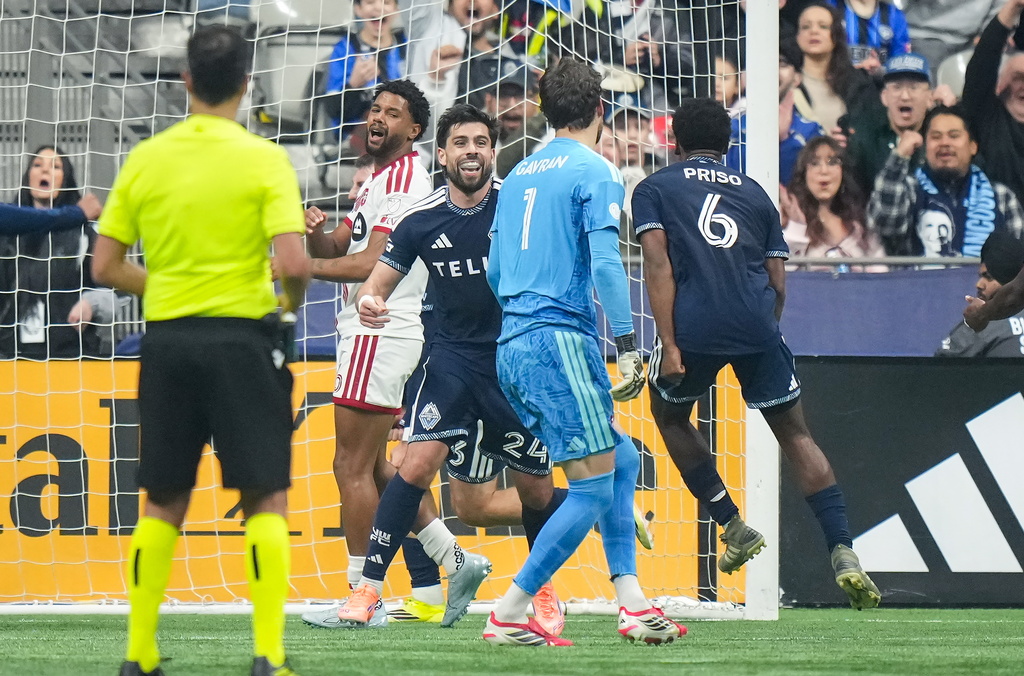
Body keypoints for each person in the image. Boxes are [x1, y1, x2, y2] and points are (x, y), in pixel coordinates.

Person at [92, 26, 310, 676]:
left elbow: (105, 265)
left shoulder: (146, 158)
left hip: (168, 343)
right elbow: (293, 260)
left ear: (185, 81)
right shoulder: (264, 158)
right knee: (264, 495)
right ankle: (268, 655)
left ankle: (139, 653)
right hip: (244, 340)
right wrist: (289, 307)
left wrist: (168, 286)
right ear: (248, 84)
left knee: (162, 498)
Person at [632, 97, 880, 611]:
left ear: (675, 142)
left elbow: (657, 265)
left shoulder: (654, 188)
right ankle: (843, 549)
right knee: (795, 434)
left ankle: (731, 524)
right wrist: (765, 333)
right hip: (755, 323)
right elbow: (777, 281)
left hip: (694, 325)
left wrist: (671, 344)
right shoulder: (757, 194)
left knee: (670, 416)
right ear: (728, 143)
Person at [336, 103, 573, 634]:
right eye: (461, 143)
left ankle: (543, 592)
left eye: (482, 142)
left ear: (493, 152)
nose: (472, 151)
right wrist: (372, 302)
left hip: (514, 362)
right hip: (451, 362)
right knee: (414, 465)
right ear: (441, 154)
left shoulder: (518, 208)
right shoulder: (420, 219)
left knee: (535, 490)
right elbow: (377, 285)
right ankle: (367, 591)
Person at [484, 58, 684, 647]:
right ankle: (511, 611)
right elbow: (604, 263)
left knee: (619, 460)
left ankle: (632, 603)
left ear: (545, 110)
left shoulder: (518, 172)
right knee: (594, 487)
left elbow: (495, 271)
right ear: (602, 109)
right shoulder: (594, 170)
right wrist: (626, 345)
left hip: (513, 343)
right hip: (559, 340)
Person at [300, 79, 485, 630]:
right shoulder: (378, 178)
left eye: (393, 113)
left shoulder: (406, 178)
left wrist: (296, 267)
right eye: (375, 109)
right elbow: (342, 249)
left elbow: (368, 266)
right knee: (382, 470)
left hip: (380, 328)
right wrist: (315, 236)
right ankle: (455, 561)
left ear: (415, 130)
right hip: (381, 330)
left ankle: (363, 596)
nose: (378, 117)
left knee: (349, 465)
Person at [867, 105, 1024, 257]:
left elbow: (1018, 259)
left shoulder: (1002, 196)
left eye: (954, 136)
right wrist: (900, 156)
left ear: (973, 147)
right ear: (925, 147)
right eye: (936, 137)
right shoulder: (909, 190)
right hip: (919, 283)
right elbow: (886, 226)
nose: (944, 143)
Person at [0, 146, 111, 359]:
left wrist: (91, 303)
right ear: (28, 176)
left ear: (66, 178)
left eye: (55, 167)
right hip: (10, 355)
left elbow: (115, 293)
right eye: (38, 165)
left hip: (71, 354)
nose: (45, 171)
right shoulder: (7, 235)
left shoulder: (85, 234)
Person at [844, 52, 953, 198]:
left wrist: (952, 113)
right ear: (884, 97)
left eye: (914, 88)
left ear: (929, 98)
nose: (905, 96)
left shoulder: (941, 136)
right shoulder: (865, 135)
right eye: (897, 87)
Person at [726, 38, 825, 188]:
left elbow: (806, 189)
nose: (771, 70)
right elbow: (730, 184)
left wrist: (784, 140)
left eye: (782, 64)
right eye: (762, 62)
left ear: (798, 78)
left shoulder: (812, 131)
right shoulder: (731, 129)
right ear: (744, 77)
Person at [784, 137, 885, 266]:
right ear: (804, 173)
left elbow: (880, 273)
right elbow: (782, 275)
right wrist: (797, 229)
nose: (824, 171)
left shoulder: (860, 227)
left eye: (832, 163)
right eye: (814, 163)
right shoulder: (786, 221)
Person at [961, 0, 1024, 203]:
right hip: (996, 225)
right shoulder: (987, 115)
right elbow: (983, 60)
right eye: (1018, 78)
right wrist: (1013, 6)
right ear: (1002, 83)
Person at [322, 0, 407, 137]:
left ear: (396, 9)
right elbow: (332, 111)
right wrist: (354, 85)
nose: (378, 7)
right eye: (370, 2)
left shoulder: (405, 46)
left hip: (400, 137)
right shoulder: (345, 49)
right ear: (358, 9)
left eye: (386, 2)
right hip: (355, 141)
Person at [794, 2, 877, 134]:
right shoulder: (785, 83)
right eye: (805, 27)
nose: (814, 31)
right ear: (797, 37)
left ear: (836, 35)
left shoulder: (858, 83)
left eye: (823, 26)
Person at [939, 230, 1024, 357]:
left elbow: (940, 366)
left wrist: (980, 316)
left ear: (1010, 280)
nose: (979, 284)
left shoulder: (984, 323)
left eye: (988, 277)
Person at [903, 0, 1006, 81]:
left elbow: (999, 13)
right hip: (927, 34)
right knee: (929, 92)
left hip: (970, 40)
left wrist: (987, 36)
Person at [828, 0, 911, 72]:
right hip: (836, 83)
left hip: (880, 85)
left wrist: (881, 71)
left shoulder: (894, 15)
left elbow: (900, 62)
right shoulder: (829, 7)